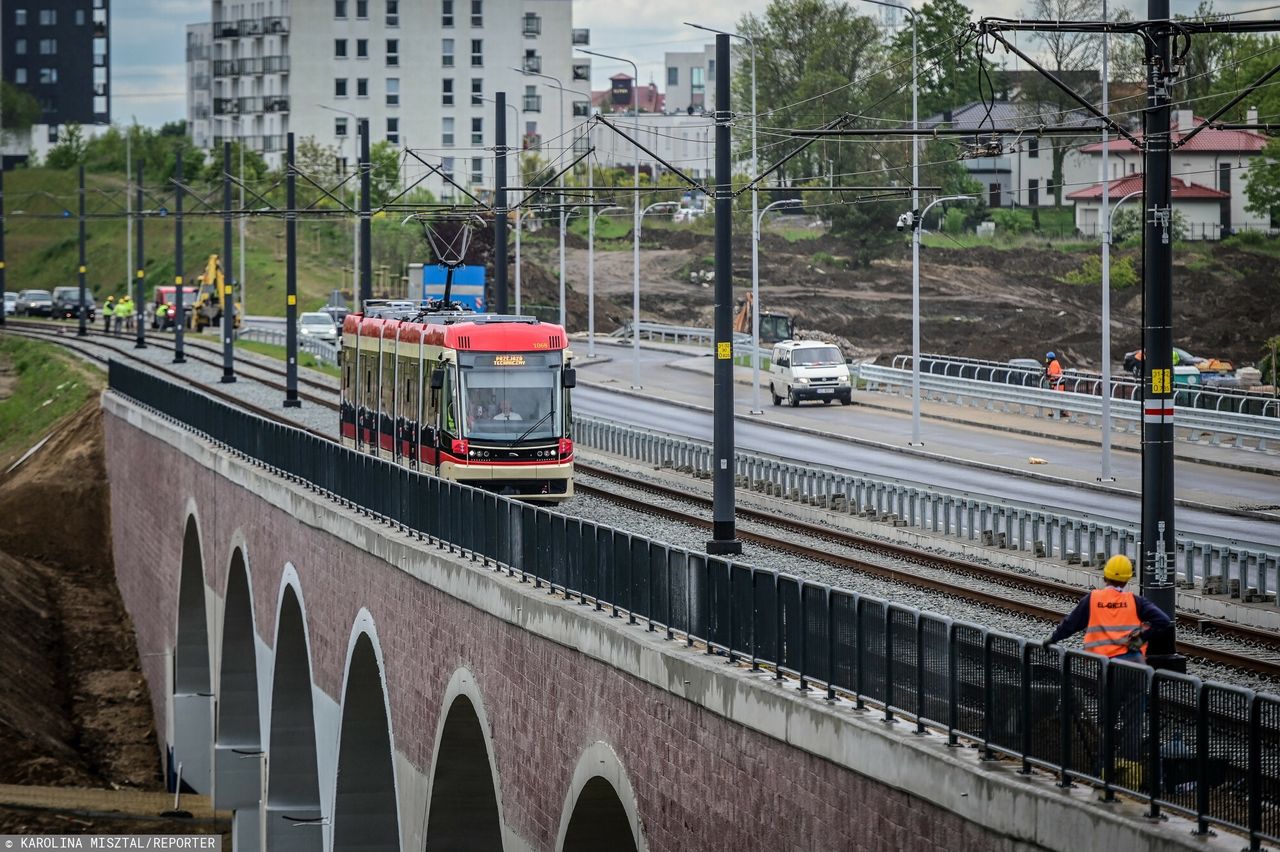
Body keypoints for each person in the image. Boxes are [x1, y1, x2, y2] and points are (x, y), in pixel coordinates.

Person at [1043, 555, 1171, 663]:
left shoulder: (1093, 599)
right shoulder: (1135, 601)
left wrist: (1053, 638)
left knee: (1108, 692)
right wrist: (1142, 637)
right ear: (1127, 579)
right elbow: (1163, 621)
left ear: (1105, 577)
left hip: (1104, 662)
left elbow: (1070, 624)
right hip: (1133, 662)